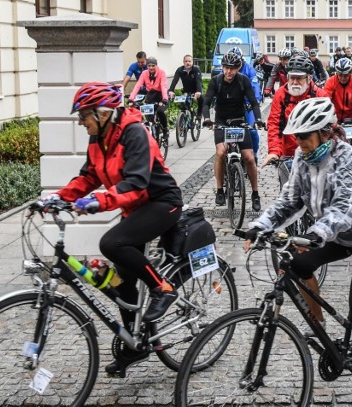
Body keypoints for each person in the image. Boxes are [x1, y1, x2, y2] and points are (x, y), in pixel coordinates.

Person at [245, 97, 352, 394]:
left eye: (304, 135)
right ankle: (318, 324)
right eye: (296, 136)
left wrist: (315, 234)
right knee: (298, 264)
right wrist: (259, 227)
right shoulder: (303, 160)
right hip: (338, 235)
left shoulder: (345, 157)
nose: (298, 141)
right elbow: (289, 201)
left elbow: (345, 207)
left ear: (325, 132)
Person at [61, 81, 184, 376]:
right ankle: (134, 346)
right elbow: (88, 176)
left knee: (112, 243)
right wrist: (57, 198)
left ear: (103, 114)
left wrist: (99, 201)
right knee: (123, 284)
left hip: (161, 202)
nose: (80, 122)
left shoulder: (134, 133)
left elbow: (137, 183)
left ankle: (163, 288)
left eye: (83, 116)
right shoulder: (99, 138)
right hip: (135, 207)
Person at [202, 52, 264, 211]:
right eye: (226, 68)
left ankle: (255, 194)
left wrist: (257, 120)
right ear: (222, 67)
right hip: (221, 122)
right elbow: (206, 102)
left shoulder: (243, 81)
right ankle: (220, 190)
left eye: (232, 68)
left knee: (249, 158)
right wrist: (208, 119)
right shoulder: (216, 81)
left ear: (238, 68)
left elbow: (254, 102)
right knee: (221, 152)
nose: (228, 72)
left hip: (239, 121)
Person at [262, 55, 327, 167]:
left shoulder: (320, 95)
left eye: (299, 78)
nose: (295, 82)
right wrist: (274, 151)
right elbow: (274, 124)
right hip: (288, 153)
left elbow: (329, 126)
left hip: (315, 153)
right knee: (287, 183)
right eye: (292, 78)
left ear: (309, 78)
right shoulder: (281, 94)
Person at [228, 46, 263, 160]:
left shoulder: (249, 70)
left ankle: (255, 153)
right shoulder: (227, 70)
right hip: (232, 104)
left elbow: (255, 86)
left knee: (252, 131)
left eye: (237, 63)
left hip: (247, 103)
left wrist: (256, 100)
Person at [128, 57, 170, 140]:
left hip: (162, 96)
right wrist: (131, 98)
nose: (151, 67)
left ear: (156, 65)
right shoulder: (144, 73)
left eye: (153, 65)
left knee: (160, 111)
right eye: (149, 65)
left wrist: (164, 99)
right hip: (151, 96)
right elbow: (138, 85)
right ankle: (152, 130)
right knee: (147, 115)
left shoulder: (162, 73)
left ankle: (165, 130)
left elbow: (163, 86)